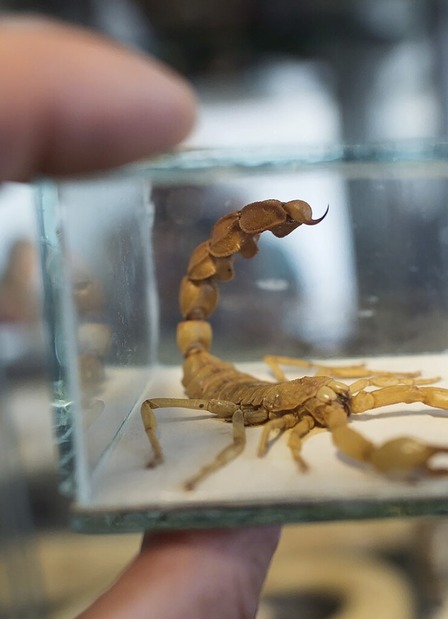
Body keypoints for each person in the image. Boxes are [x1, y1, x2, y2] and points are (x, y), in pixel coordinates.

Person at [0, 16, 281, 618]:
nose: (179, 203)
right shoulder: (129, 239)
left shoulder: (245, 247)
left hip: (221, 356)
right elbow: (112, 312)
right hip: (191, 372)